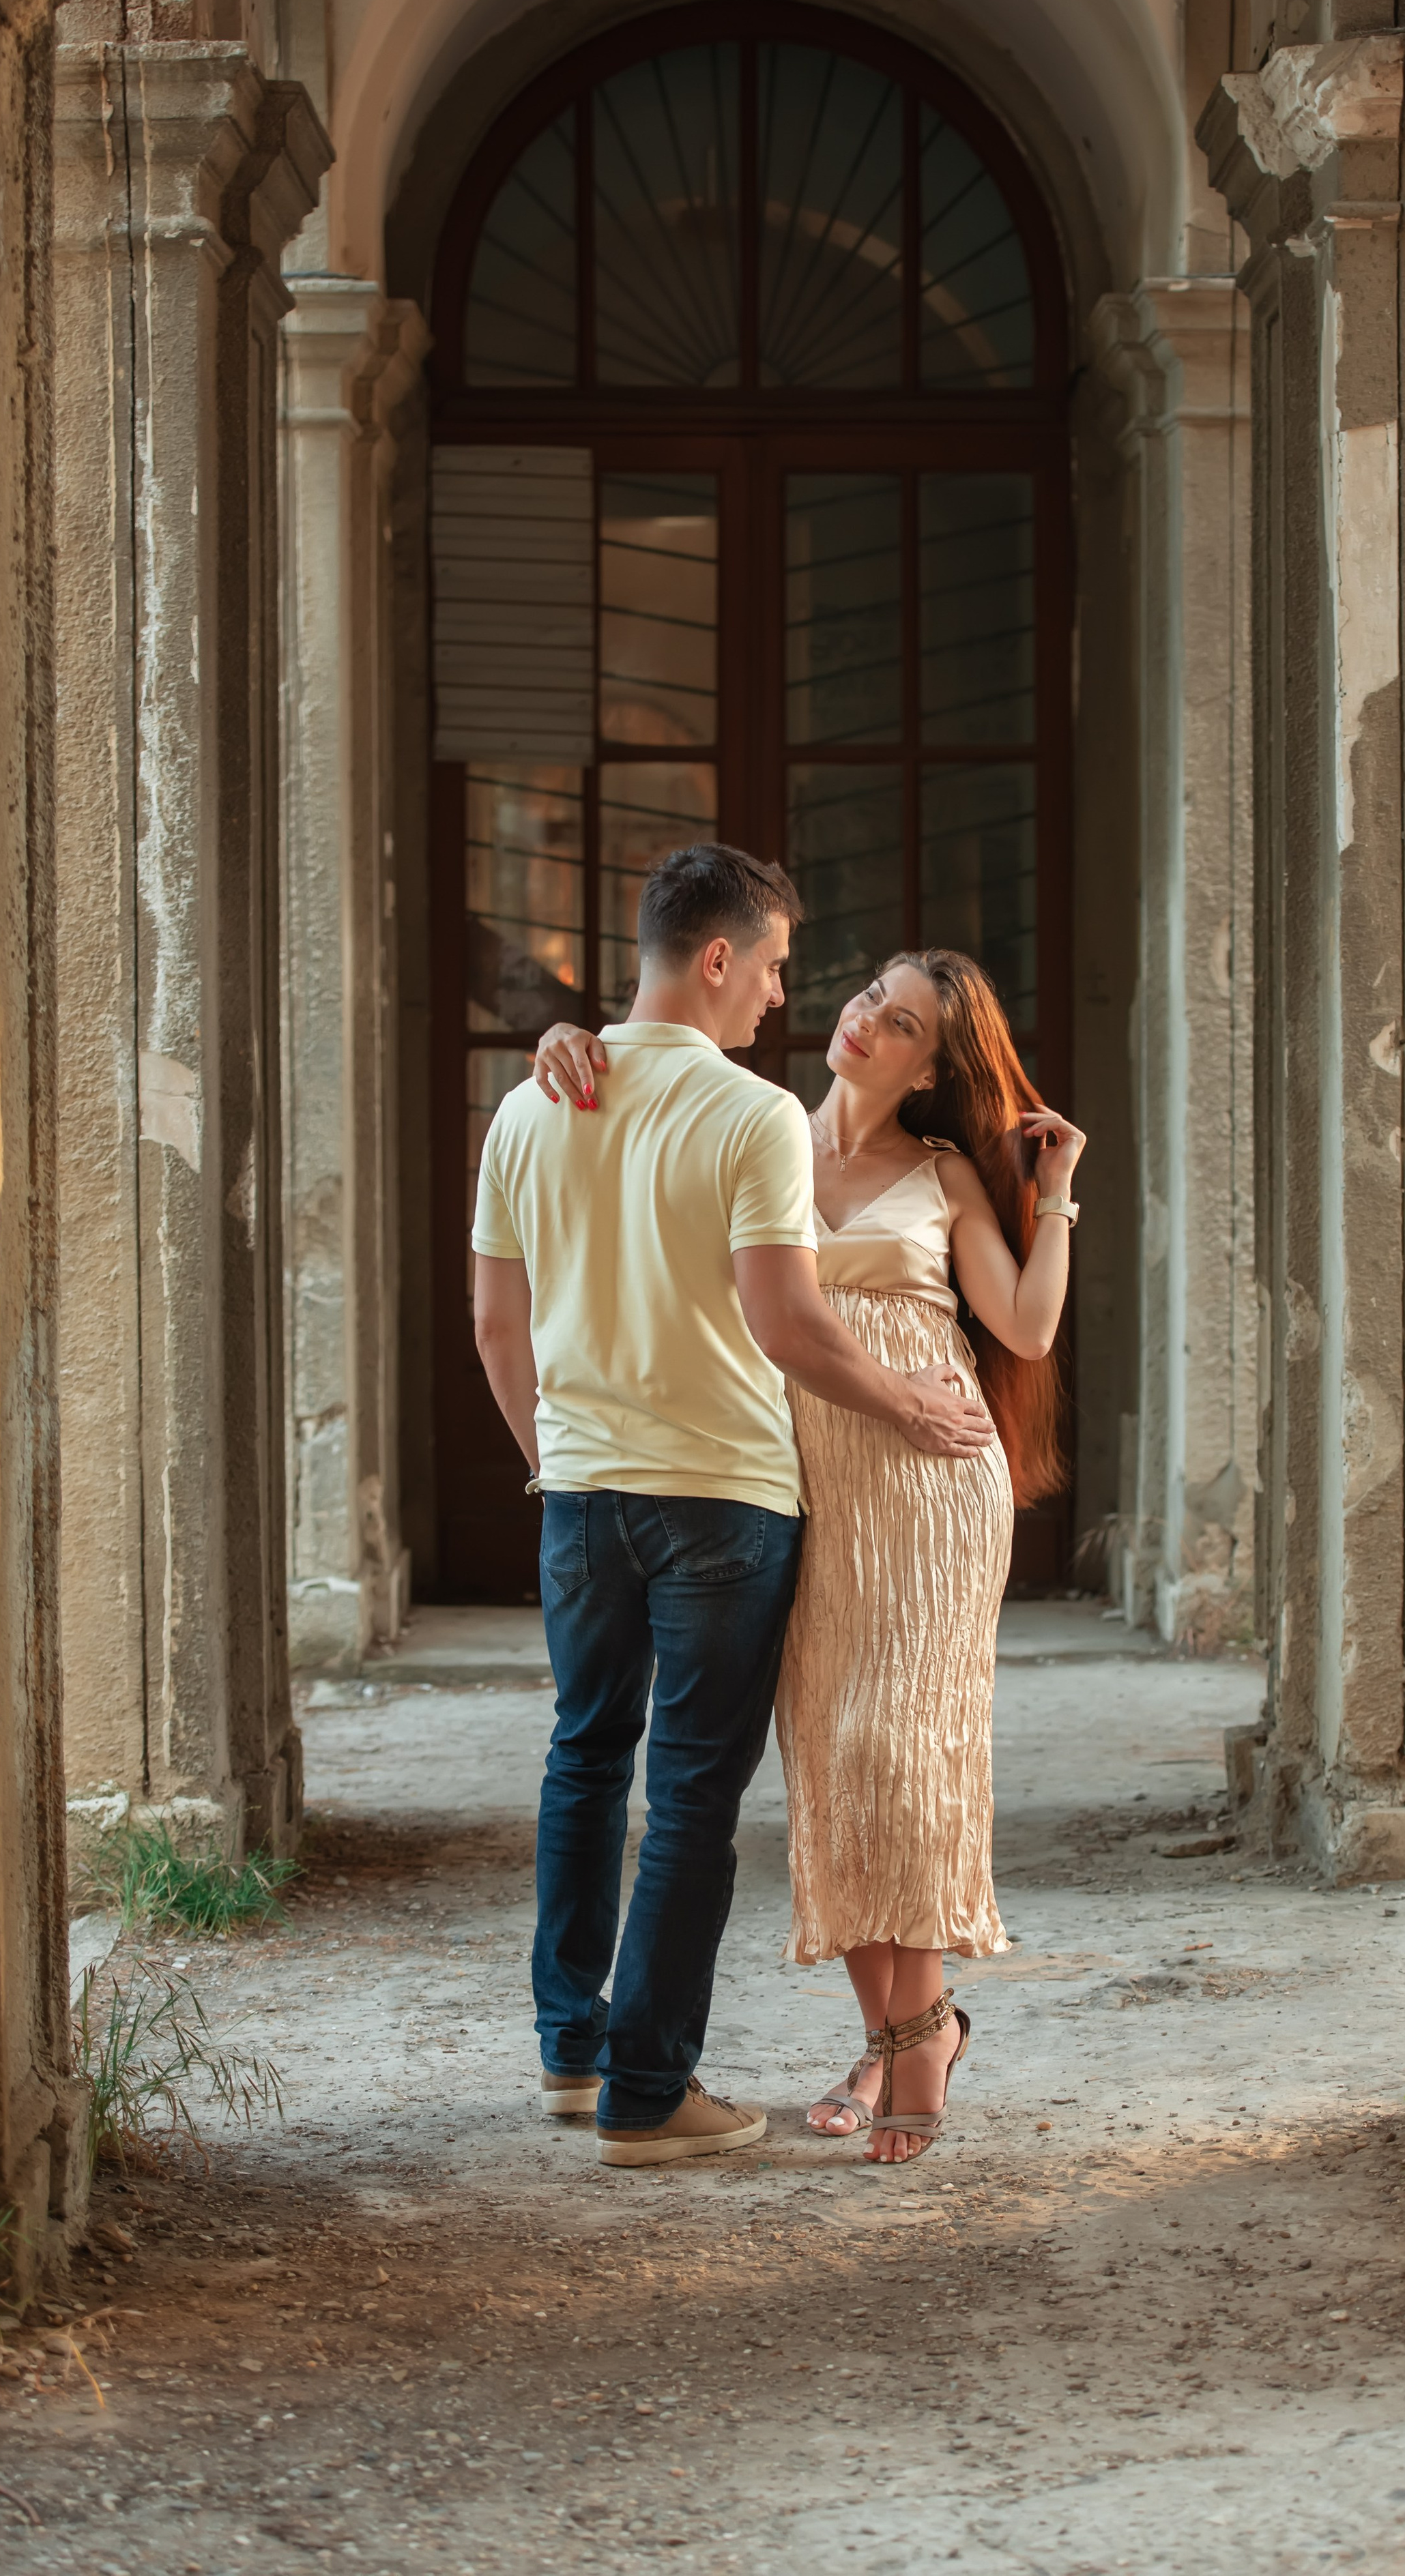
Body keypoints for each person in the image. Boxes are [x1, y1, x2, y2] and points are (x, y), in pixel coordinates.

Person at [471, 848, 995, 2169]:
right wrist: (908, 1400)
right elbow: (786, 1320)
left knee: (583, 1754)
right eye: (767, 965)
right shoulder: (754, 1113)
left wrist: (557, 1450)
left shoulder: (526, 1107)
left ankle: (569, 2053)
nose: (778, 993)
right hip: (721, 1493)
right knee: (693, 1792)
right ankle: (650, 2089)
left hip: (582, 1491)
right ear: (715, 958)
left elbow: (494, 1320)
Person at [535, 946, 1085, 2162]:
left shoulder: (943, 1174)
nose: (863, 1024)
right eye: (863, 1001)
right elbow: (653, 1085)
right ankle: (906, 2034)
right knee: (832, 1758)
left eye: (898, 1024)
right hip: (799, 1478)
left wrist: (1057, 1192)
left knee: (901, 1747)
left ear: (936, 1064)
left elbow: (1029, 1326)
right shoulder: (764, 1124)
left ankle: (917, 2036)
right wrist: (563, 1046)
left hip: (933, 1472)